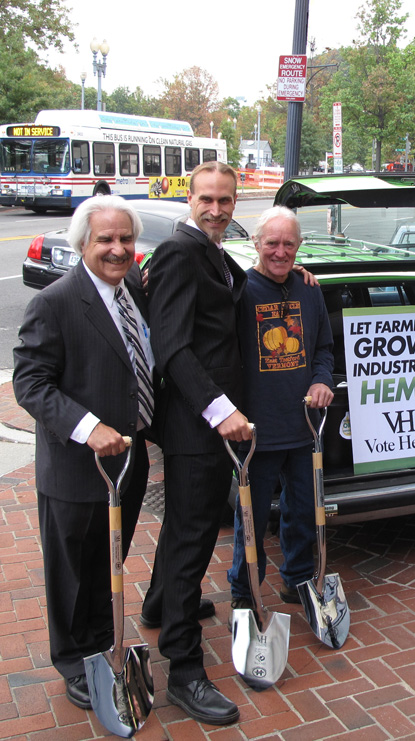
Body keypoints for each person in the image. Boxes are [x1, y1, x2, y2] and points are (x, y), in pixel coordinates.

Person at [13, 196, 154, 710]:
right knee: (72, 571)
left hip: (129, 460)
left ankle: (103, 638)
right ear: (82, 246)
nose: (117, 249)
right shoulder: (54, 302)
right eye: (105, 240)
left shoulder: (132, 287)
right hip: (78, 466)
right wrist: (88, 426)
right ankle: (74, 659)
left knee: (108, 560)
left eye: (125, 239)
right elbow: (29, 383)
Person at [140, 161, 252, 725]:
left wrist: (296, 271)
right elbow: (173, 348)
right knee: (192, 542)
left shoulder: (213, 253)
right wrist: (221, 411)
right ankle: (184, 669)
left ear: (236, 202)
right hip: (195, 428)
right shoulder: (179, 255)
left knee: (184, 528)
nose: (216, 209)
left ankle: (160, 604)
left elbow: (241, 287)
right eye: (206, 199)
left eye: (225, 200)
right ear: (189, 198)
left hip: (203, 428)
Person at [227, 207, 334, 608]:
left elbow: (323, 348)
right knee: (250, 519)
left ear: (299, 247)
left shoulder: (309, 290)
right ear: (256, 244)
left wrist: (322, 379)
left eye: (289, 244)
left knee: (304, 510)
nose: (280, 251)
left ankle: (298, 578)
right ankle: (245, 591)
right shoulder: (241, 292)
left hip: (304, 426)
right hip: (256, 431)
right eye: (271, 242)